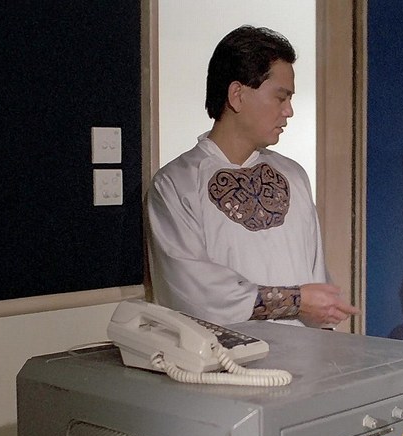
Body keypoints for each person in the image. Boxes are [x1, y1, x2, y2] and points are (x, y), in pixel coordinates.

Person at [146, 25, 358, 328]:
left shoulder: (294, 176)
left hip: (304, 351)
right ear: (237, 95)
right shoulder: (176, 185)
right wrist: (295, 301)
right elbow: (194, 292)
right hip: (221, 354)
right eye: (280, 98)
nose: (289, 111)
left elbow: (316, 278)